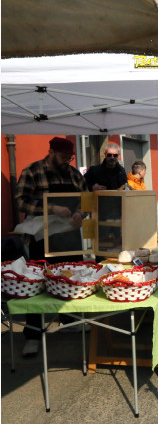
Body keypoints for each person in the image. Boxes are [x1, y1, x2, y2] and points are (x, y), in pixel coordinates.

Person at [15, 137, 88, 357]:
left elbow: (86, 198)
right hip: (41, 238)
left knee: (72, 280)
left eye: (70, 157)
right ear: (51, 152)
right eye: (64, 157)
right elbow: (20, 200)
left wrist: (80, 213)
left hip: (70, 237)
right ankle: (33, 335)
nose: (67, 161)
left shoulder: (74, 174)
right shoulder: (32, 172)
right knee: (37, 285)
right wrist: (51, 207)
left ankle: (70, 320)